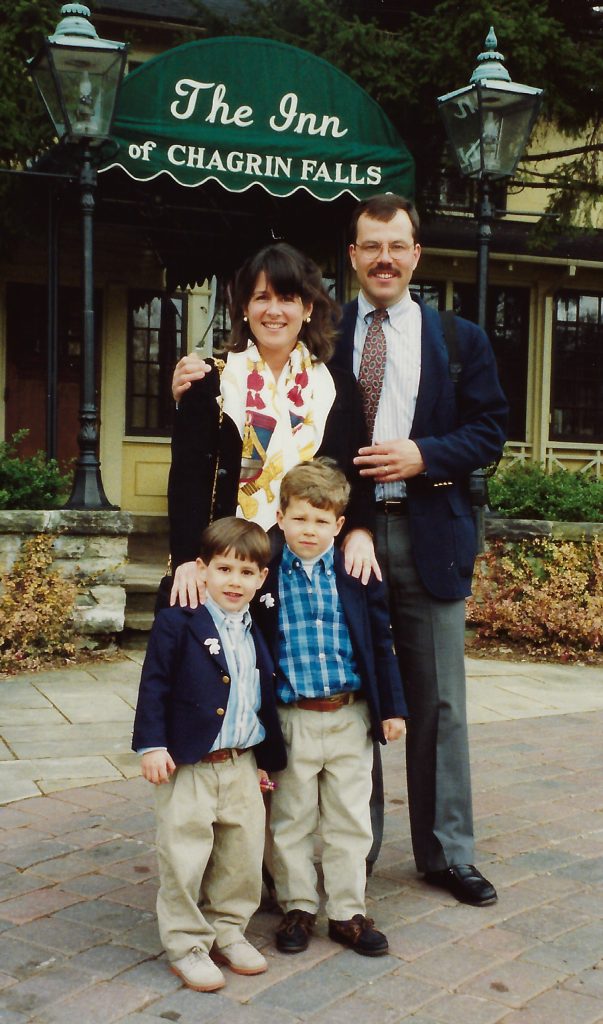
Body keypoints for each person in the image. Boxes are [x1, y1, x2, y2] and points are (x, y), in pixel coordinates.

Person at [330, 193, 508, 905]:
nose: (385, 259)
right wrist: (194, 375)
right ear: (353, 256)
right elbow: (266, 383)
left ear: (415, 254)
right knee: (349, 701)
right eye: (371, 246)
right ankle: (353, 854)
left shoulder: (459, 341)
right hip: (343, 539)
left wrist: (423, 455)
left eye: (396, 245)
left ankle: (447, 854)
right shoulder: (322, 333)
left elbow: (489, 431)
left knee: (439, 705)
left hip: (429, 533)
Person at [168, 242, 378, 611]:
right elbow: (187, 480)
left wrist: (360, 531)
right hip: (229, 570)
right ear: (244, 307)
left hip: (310, 571)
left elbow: (356, 475)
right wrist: (187, 559)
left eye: (287, 298)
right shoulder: (210, 381)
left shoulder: (339, 388)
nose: (274, 310)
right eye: (262, 297)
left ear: (307, 308)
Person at [252, 458, 407, 957]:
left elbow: (380, 642)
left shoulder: (356, 572)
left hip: (349, 716)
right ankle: (298, 905)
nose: (309, 530)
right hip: (292, 718)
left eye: (321, 521)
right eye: (299, 518)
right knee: (291, 819)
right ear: (280, 517)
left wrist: (392, 708)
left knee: (349, 818)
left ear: (339, 525)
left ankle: (346, 911)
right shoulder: (265, 575)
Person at [132, 517, 286, 993]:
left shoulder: (257, 628)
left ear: (261, 578)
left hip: (240, 763)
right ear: (202, 571)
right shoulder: (178, 622)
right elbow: (154, 685)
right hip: (189, 765)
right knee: (184, 856)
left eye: (246, 572)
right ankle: (186, 943)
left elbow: (261, 698)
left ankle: (229, 929)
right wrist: (152, 745)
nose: (234, 581)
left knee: (241, 855)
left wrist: (263, 759)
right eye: (224, 569)